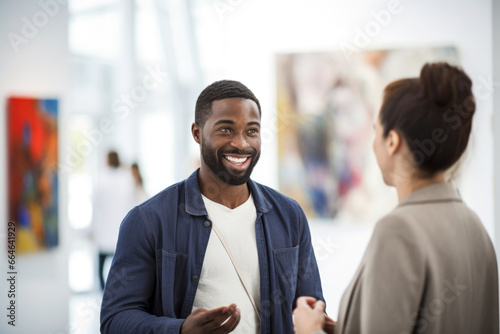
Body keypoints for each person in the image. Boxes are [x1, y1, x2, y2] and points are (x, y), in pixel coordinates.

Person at [100, 80, 325, 333]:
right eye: (226, 130)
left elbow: (311, 306)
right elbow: (115, 320)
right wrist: (180, 330)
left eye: (252, 131)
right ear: (197, 133)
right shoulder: (148, 221)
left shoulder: (289, 215)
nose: (241, 143)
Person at [293, 62, 499, 334]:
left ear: (392, 141)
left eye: (376, 131)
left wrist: (310, 331)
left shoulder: (399, 231)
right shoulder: (474, 226)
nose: (372, 142)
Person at [91, 151, 136, 290]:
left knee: (101, 267)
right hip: (121, 230)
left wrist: (92, 228)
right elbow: (132, 204)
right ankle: (119, 295)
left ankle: (103, 295)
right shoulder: (126, 178)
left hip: (105, 230)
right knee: (122, 268)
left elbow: (95, 205)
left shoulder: (102, 179)